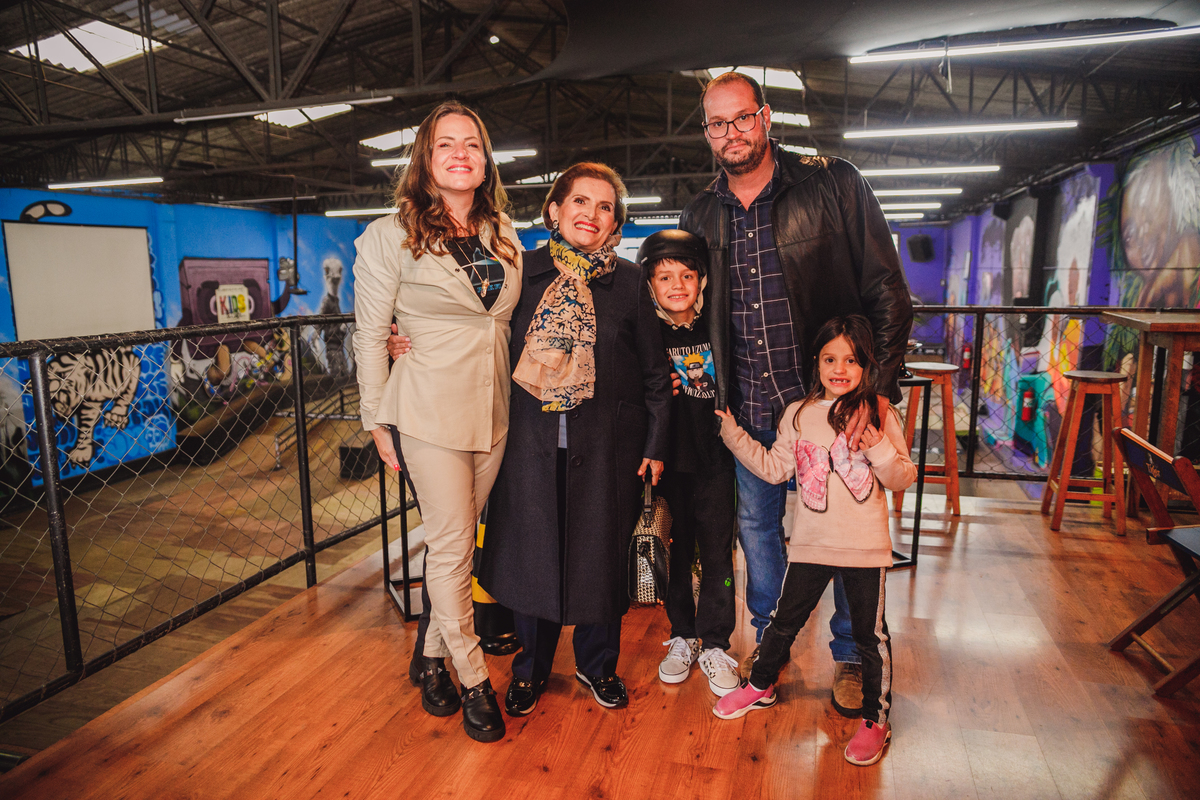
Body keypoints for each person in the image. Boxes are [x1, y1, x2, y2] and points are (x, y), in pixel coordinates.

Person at [679, 70, 913, 716]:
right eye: (718, 123)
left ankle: (848, 655)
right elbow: (684, 310)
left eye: (743, 117)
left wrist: (880, 391)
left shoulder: (833, 185)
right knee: (757, 534)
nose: (733, 133)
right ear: (707, 134)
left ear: (766, 117)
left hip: (833, 413)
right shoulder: (699, 215)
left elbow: (888, 291)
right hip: (754, 415)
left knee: (846, 539)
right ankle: (770, 655)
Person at [352, 101, 521, 744]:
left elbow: (501, 324)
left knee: (453, 548)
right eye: (445, 143)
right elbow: (370, 335)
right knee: (453, 547)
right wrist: (376, 418)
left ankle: (428, 659)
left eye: (472, 144)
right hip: (425, 409)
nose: (460, 153)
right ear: (425, 158)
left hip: (493, 413)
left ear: (484, 161)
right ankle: (474, 679)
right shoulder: (389, 234)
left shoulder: (502, 232)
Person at [477, 162, 672, 717]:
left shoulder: (630, 283)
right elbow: (478, 341)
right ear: (555, 211)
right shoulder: (520, 273)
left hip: (610, 449)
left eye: (605, 206)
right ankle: (530, 669)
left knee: (600, 560)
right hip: (528, 449)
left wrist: (655, 444)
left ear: (616, 223)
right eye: (580, 202)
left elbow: (656, 376)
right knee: (533, 557)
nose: (592, 214)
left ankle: (597, 664)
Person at [712, 316, 916, 767]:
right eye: (829, 358)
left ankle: (874, 719)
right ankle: (759, 682)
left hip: (865, 551)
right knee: (784, 623)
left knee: (870, 637)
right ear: (817, 362)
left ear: (866, 366)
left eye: (851, 359)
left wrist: (879, 446)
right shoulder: (799, 414)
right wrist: (733, 435)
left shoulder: (880, 413)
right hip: (810, 546)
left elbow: (903, 477)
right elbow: (773, 469)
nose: (839, 368)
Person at [636, 229, 740, 696]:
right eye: (664, 277)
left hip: (717, 460)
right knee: (676, 552)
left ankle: (716, 641)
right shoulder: (646, 332)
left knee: (717, 553)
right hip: (669, 464)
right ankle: (681, 635)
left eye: (687, 275)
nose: (677, 285)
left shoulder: (715, 327)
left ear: (702, 280)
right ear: (650, 284)